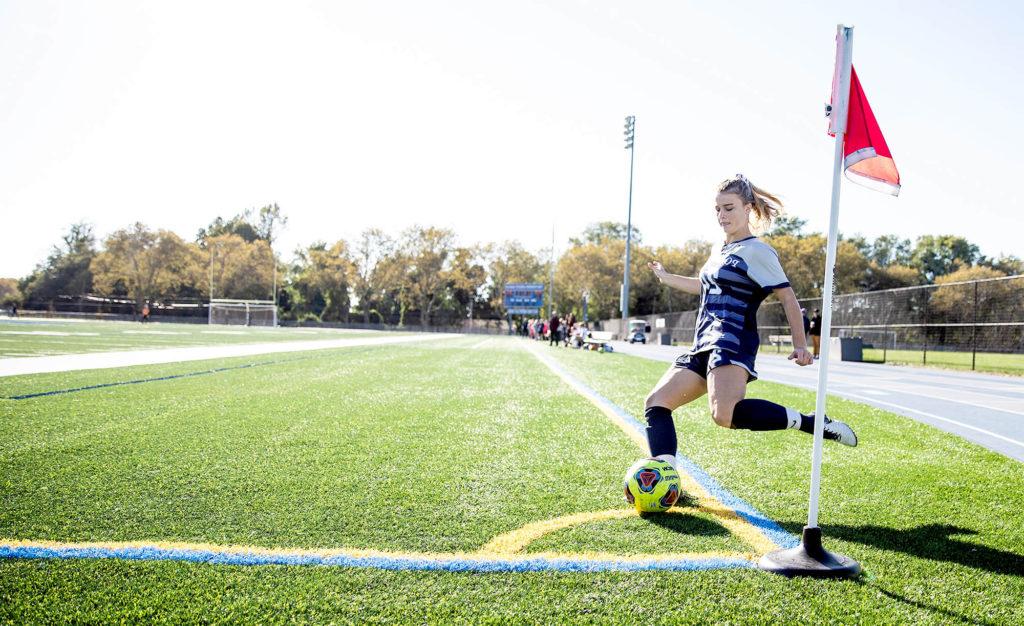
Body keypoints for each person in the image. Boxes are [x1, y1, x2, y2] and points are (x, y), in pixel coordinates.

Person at [643, 175, 857, 474]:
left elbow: (788, 298)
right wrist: (667, 277)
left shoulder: (758, 251)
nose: (722, 216)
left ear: (748, 208)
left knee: (724, 415)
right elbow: (705, 286)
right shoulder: (719, 250)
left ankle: (811, 423)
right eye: (717, 209)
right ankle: (667, 477)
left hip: (731, 340)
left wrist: (800, 345)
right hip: (703, 341)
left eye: (729, 208)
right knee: (656, 403)